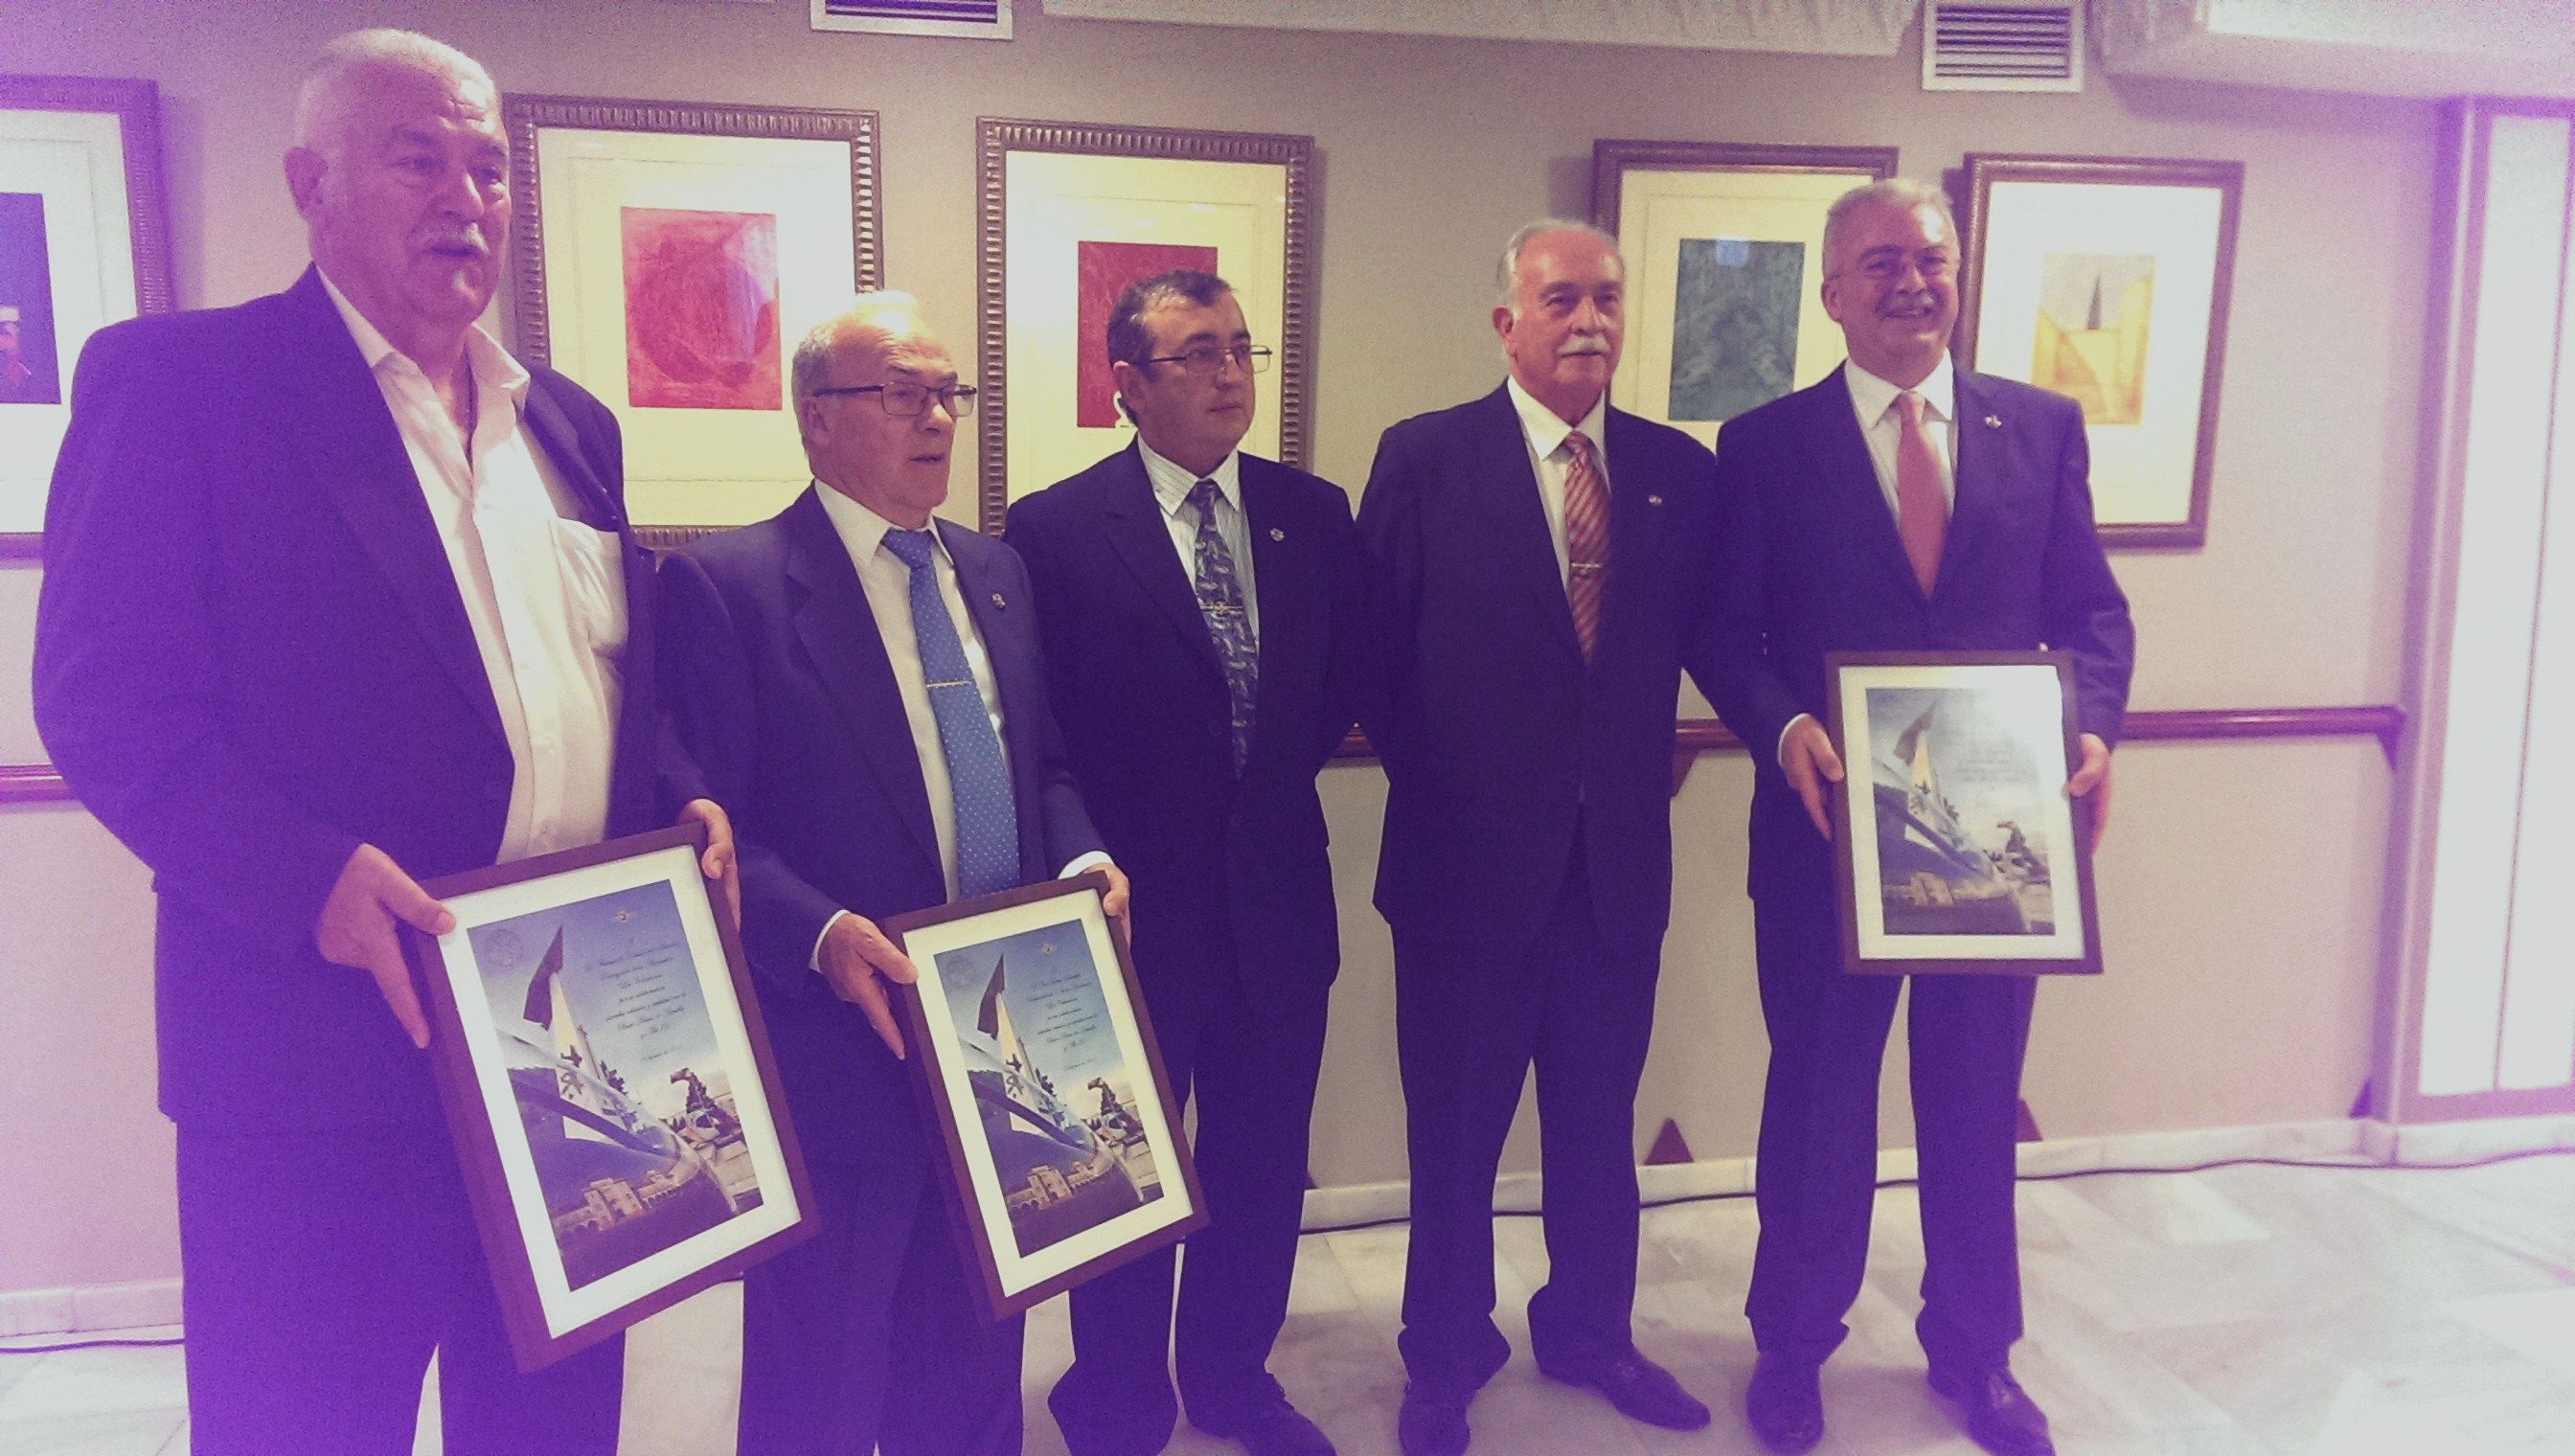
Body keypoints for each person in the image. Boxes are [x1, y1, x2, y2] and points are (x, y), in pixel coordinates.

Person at [30, 29, 737, 1455]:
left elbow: (610, 681)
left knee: (548, 1425)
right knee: (305, 1424)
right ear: (311, 184)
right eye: (420, 160)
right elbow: (105, 698)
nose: (466, 200)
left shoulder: (571, 425)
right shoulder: (184, 385)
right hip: (317, 1055)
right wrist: (305, 879)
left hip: (567, 1048)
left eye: (489, 169)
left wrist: (684, 799)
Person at [1703, 178, 2134, 1456]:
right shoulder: (1764, 446)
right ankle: (1792, 1346)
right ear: (1833, 292)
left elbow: (2092, 612)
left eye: (1933, 259)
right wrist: (1785, 723)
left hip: (1998, 843)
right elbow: (1724, 632)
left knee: (1974, 1100)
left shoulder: (2039, 426)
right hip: (1826, 837)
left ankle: (1975, 1352)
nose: (1913, 282)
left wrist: (2093, 724)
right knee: (1819, 1100)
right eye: (1884, 262)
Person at [657, 293, 1128, 1456]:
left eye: (948, 392)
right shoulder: (729, 585)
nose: (938, 417)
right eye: (903, 392)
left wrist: (1085, 855)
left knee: (975, 1361)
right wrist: (820, 932)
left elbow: (1042, 764)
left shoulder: (997, 571)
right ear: (817, 416)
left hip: (999, 1034)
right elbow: (710, 828)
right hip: (840, 1043)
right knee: (820, 1377)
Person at [1356, 220, 1725, 1456]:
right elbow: (1375, 655)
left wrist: (1798, 723)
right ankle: (1444, 1354)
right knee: (1455, 1137)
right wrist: (1463, 787)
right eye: (1561, 298)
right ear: (1506, 321)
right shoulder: (1426, 457)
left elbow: (1710, 642)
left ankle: (1590, 1332)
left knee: (1596, 1128)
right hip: (1463, 877)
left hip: (1615, 875)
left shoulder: (1675, 471)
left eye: (1607, 297)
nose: (1589, 320)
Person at [1006, 270, 1367, 1456]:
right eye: (1197, 352)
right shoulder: (1056, 529)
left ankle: (1231, 1378)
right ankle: (1113, 1397)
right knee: (1120, 1169)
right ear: (1127, 383)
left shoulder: (1311, 514)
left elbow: (1328, 692)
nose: (1228, 374)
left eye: (1241, 348)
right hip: (1129, 914)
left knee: (1259, 1166)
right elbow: (1044, 726)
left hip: (1278, 902)